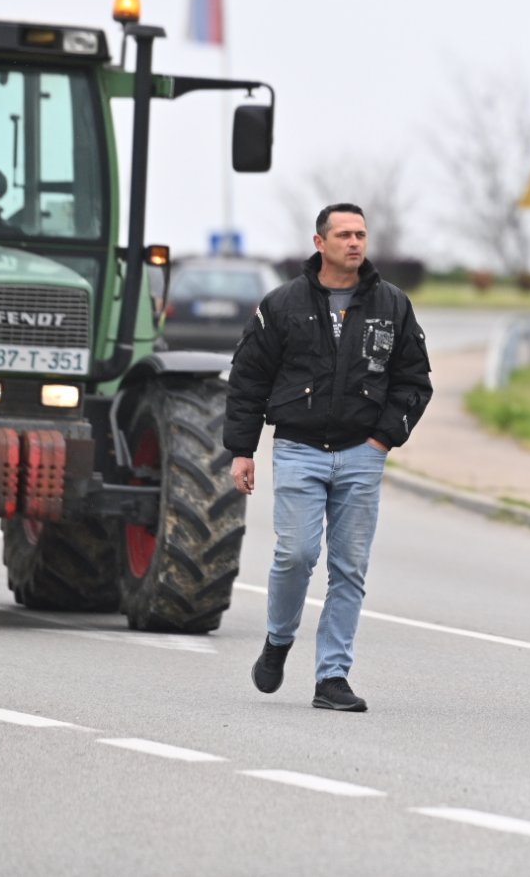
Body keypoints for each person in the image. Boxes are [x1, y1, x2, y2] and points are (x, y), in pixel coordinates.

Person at [225, 203, 432, 713]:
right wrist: (242, 450)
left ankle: (332, 677)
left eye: (361, 233)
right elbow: (248, 379)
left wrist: (383, 440)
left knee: (349, 568)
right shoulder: (282, 305)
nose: (354, 242)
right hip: (298, 448)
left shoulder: (392, 304)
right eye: (343, 234)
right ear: (320, 242)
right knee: (295, 554)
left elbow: (414, 379)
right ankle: (277, 642)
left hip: (363, 454)